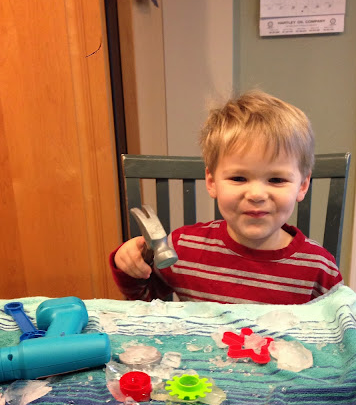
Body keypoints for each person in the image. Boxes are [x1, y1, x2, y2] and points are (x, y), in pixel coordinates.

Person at [110, 90, 343, 304]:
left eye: (276, 179)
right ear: (212, 182)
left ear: (303, 185)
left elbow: (339, 324)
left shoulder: (319, 269)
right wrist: (129, 266)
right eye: (239, 178)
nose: (256, 195)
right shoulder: (182, 248)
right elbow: (144, 301)